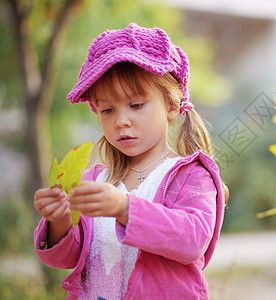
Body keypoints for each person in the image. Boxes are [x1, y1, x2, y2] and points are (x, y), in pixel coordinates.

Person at [33, 23, 227, 300]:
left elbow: (192, 241)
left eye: (136, 105)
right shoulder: (93, 182)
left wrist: (125, 209)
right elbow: (65, 258)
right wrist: (59, 221)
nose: (121, 120)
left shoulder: (191, 176)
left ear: (171, 106)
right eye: (107, 110)